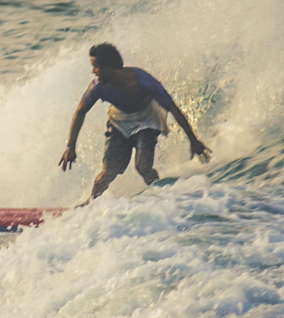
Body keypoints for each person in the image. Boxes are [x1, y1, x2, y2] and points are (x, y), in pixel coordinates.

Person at [59, 43, 210, 200]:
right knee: (108, 172)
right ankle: (91, 205)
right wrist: (70, 146)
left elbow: (172, 108)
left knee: (143, 166)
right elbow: (81, 111)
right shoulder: (98, 87)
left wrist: (193, 140)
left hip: (147, 119)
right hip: (119, 121)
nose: (93, 72)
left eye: (96, 67)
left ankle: (163, 196)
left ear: (109, 66)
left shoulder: (145, 82)